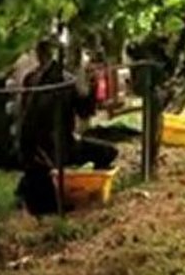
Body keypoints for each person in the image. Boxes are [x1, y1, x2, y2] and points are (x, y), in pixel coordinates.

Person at [15, 40, 118, 214]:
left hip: (54, 146)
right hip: (53, 149)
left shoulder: (46, 80)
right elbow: (85, 111)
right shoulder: (56, 81)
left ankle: (86, 187)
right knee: (108, 152)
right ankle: (84, 191)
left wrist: (91, 87)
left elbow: (84, 110)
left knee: (107, 152)